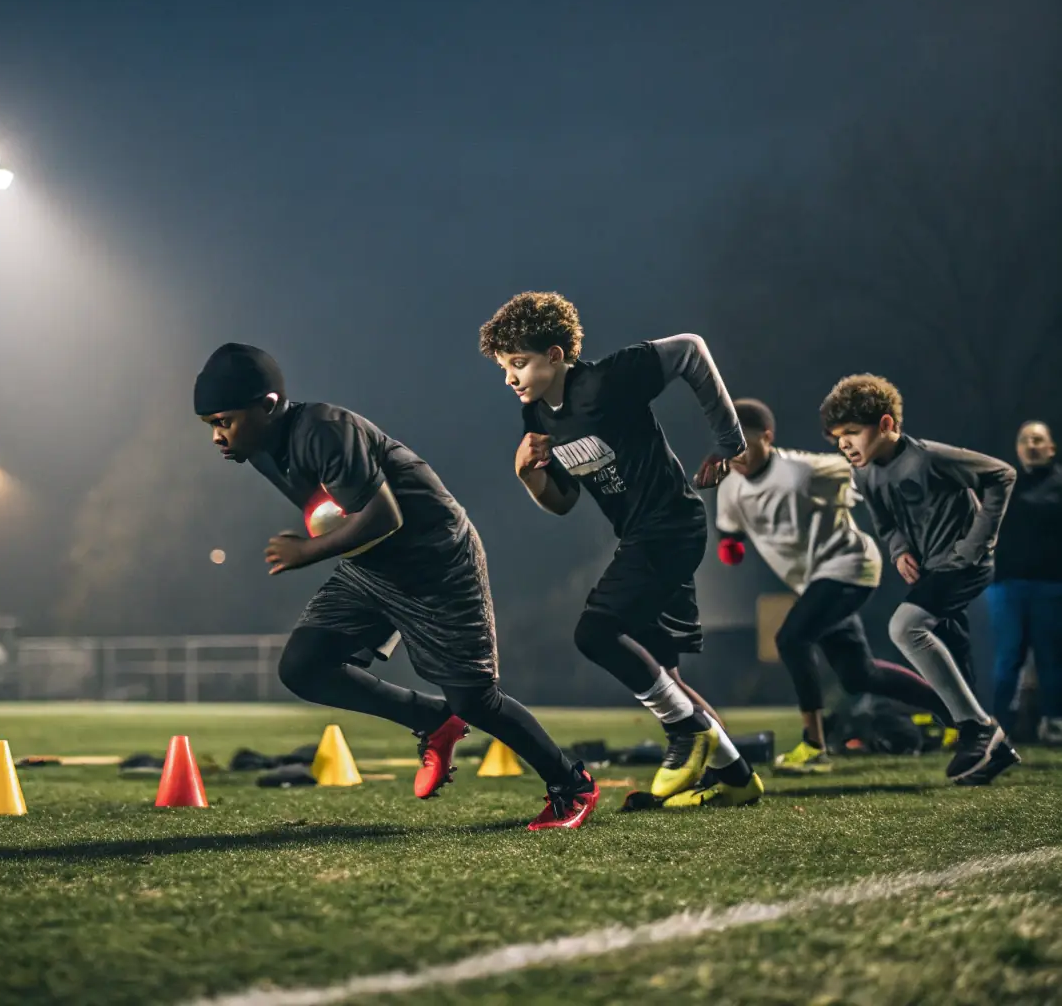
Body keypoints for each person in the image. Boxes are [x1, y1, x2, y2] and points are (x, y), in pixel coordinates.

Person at [194, 343, 599, 830]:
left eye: (224, 421)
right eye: (211, 425)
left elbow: (385, 515)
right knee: (303, 666)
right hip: (372, 569)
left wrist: (306, 551)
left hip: (437, 564)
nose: (218, 436)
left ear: (268, 405)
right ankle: (432, 719)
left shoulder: (324, 431)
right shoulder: (257, 448)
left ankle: (572, 785)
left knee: (475, 700)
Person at [479, 291, 762, 809]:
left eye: (519, 363)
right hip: (641, 536)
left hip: (671, 527)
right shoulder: (538, 418)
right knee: (663, 671)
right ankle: (737, 778)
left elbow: (692, 351)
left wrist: (729, 441)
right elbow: (562, 501)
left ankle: (686, 733)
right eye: (504, 368)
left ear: (557, 355)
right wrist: (527, 477)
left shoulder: (606, 379)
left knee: (595, 632)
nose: (510, 378)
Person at [717, 398, 948, 774]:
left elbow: (869, 470)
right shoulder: (729, 485)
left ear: (768, 438)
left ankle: (813, 746)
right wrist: (730, 546)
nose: (735, 451)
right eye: (728, 441)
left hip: (851, 566)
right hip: (815, 581)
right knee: (860, 676)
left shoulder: (803, 471)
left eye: (743, 440)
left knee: (791, 638)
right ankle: (951, 708)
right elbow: (730, 531)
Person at [819, 374, 1019, 784]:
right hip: (930, 569)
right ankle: (990, 750)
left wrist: (978, 544)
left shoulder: (929, 458)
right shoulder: (865, 473)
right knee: (955, 663)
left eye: (852, 433)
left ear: (887, 425)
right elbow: (884, 521)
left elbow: (1002, 475)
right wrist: (898, 549)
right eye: (837, 437)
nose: (843, 444)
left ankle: (979, 731)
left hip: (964, 566)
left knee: (905, 627)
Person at [988, 421, 1062, 745]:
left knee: (1051, 656)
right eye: (1024, 440)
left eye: (1038, 439)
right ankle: (998, 726)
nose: (1031, 444)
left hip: (1052, 585)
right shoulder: (1006, 485)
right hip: (1008, 585)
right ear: (1017, 449)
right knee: (1008, 656)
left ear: (1051, 448)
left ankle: (1054, 722)